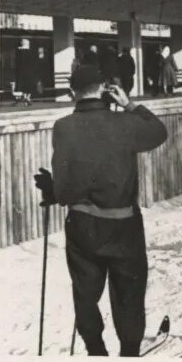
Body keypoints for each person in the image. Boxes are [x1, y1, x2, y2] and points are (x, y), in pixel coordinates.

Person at [34, 65, 168, 357]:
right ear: (104, 89)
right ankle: (129, 350)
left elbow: (67, 184)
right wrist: (129, 104)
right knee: (128, 293)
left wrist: (53, 191)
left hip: (82, 226)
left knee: (84, 292)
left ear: (73, 92)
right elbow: (159, 133)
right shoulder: (124, 123)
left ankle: (95, 349)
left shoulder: (63, 127)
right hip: (123, 226)